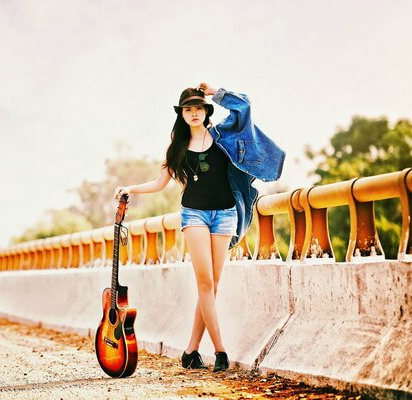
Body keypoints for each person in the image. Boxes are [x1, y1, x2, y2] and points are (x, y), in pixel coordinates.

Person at [113, 82, 285, 372]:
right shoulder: (178, 148)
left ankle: (190, 351)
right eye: (188, 109)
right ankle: (220, 351)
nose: (193, 113)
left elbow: (245, 106)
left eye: (198, 108)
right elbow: (159, 183)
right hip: (194, 215)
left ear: (207, 111)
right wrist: (129, 188)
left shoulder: (223, 137)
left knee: (212, 286)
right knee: (205, 283)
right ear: (181, 115)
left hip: (226, 214)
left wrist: (215, 92)